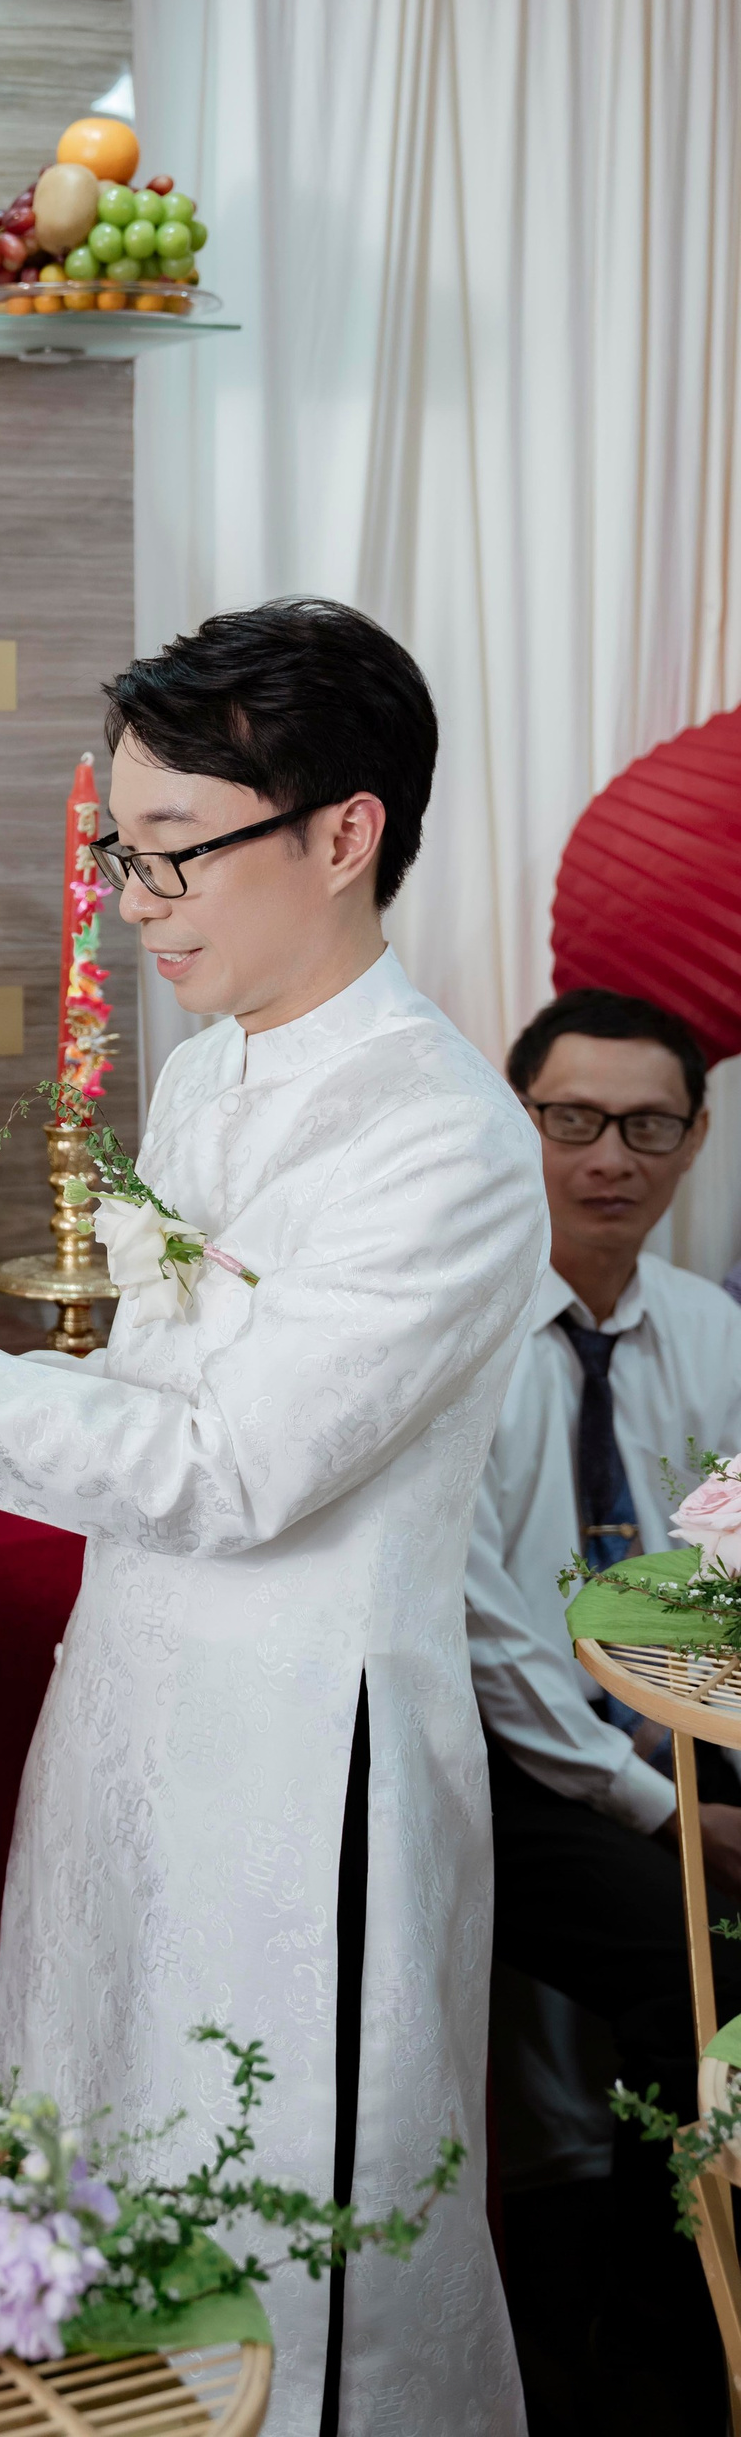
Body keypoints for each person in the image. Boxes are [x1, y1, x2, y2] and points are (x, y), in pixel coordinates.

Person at [0, 599, 547, 2437]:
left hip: (302, 1770)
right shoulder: (211, 1065)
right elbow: (168, 1406)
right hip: (135, 1710)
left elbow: (236, 1471)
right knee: (101, 2169)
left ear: (346, 833)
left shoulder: (443, 1139)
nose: (136, 904)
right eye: (120, 853)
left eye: (174, 854)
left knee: (292, 2242)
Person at [468, 986, 741, 2420]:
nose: (607, 1157)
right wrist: (669, 1811)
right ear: (517, 1125)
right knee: (689, 1972)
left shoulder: (710, 1328)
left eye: (646, 1124)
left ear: (694, 1140)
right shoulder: (456, 1335)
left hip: (677, 1730)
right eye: (571, 1118)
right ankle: (664, 2352)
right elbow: (484, 1633)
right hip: (496, 1758)